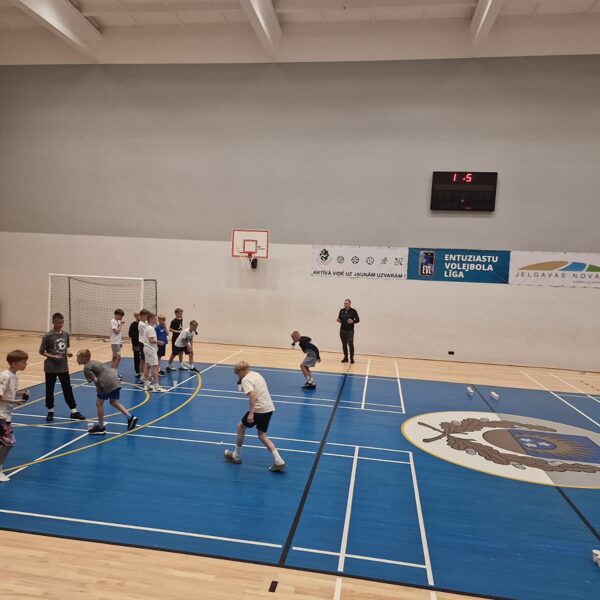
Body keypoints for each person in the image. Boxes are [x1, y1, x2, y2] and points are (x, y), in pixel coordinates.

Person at [224, 361, 285, 472]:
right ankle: (279, 461)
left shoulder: (246, 380)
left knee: (240, 427)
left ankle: (236, 456)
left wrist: (251, 413)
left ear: (241, 371)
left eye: (238, 373)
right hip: (269, 408)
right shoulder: (256, 374)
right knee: (262, 435)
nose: (238, 376)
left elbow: (252, 395)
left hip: (258, 409)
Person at [76, 349, 138, 435]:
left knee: (99, 404)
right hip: (115, 381)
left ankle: (101, 427)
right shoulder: (94, 362)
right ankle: (130, 417)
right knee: (113, 402)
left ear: (84, 358)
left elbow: (96, 380)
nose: (77, 360)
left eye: (78, 358)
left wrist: (99, 389)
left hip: (106, 384)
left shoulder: (87, 367)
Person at [39, 313, 85, 422]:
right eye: (58, 323)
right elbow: (41, 351)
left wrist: (68, 352)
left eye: (62, 323)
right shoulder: (47, 336)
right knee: (49, 390)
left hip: (63, 367)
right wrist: (53, 356)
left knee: (67, 389)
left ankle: (73, 411)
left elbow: (65, 348)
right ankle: (50, 410)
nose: (60, 325)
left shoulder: (65, 334)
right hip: (50, 368)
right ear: (53, 322)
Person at [0, 350, 29, 482]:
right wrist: (14, 401)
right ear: (14, 363)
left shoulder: (15, 375)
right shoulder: (4, 376)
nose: (26, 364)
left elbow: (8, 393)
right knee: (9, 443)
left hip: (6, 414)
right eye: (23, 362)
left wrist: (21, 394)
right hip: (1, 415)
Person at [143, 313, 165, 392]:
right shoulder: (151, 329)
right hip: (150, 350)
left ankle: (146, 385)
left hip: (147, 349)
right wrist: (159, 342)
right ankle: (156, 385)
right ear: (150, 319)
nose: (156, 320)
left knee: (147, 366)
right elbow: (151, 340)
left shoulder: (147, 328)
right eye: (155, 319)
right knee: (155, 367)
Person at [337, 298, 360, 364]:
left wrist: (353, 321)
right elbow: (339, 318)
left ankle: (352, 358)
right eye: (344, 303)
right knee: (344, 344)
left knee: (350, 344)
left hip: (350, 331)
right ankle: (346, 358)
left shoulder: (353, 311)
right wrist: (338, 320)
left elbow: (358, 319)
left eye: (346, 303)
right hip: (342, 330)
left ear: (350, 304)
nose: (345, 304)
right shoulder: (341, 310)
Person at [110, 308, 125, 377]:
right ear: (117, 315)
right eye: (121, 316)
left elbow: (119, 333)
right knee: (118, 357)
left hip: (117, 342)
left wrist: (120, 342)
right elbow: (116, 331)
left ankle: (113, 372)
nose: (121, 318)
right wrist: (121, 324)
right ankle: (114, 374)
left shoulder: (117, 321)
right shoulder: (113, 321)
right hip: (115, 342)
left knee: (115, 357)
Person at [128, 311, 142, 378]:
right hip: (136, 344)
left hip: (142, 343)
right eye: (137, 316)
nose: (139, 317)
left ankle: (142, 371)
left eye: (140, 315)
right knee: (137, 357)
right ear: (135, 316)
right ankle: (137, 371)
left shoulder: (142, 324)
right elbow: (130, 334)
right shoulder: (133, 324)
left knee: (142, 358)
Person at [137, 308, 150, 384]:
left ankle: (143, 374)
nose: (147, 317)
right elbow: (147, 332)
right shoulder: (141, 324)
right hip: (143, 343)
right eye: (146, 316)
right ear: (142, 316)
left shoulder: (145, 322)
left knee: (144, 360)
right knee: (143, 360)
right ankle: (142, 375)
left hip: (145, 343)